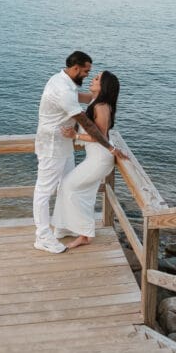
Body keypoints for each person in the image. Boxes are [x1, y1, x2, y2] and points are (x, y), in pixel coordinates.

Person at [32, 52, 127, 254]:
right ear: (76, 68)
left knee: (67, 187)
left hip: (66, 148)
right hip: (52, 146)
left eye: (94, 76)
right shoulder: (64, 89)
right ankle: (43, 236)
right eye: (87, 72)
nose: (88, 76)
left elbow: (93, 107)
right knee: (45, 190)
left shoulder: (66, 84)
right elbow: (88, 125)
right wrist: (109, 147)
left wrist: (77, 137)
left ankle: (68, 228)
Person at [53, 71, 120, 249]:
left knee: (68, 186)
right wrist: (58, 83)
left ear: (104, 85)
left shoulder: (101, 107)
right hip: (95, 156)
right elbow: (73, 95)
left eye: (97, 79)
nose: (93, 79)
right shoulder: (94, 99)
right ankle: (67, 228)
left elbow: (101, 136)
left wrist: (76, 135)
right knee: (82, 193)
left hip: (100, 158)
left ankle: (85, 234)